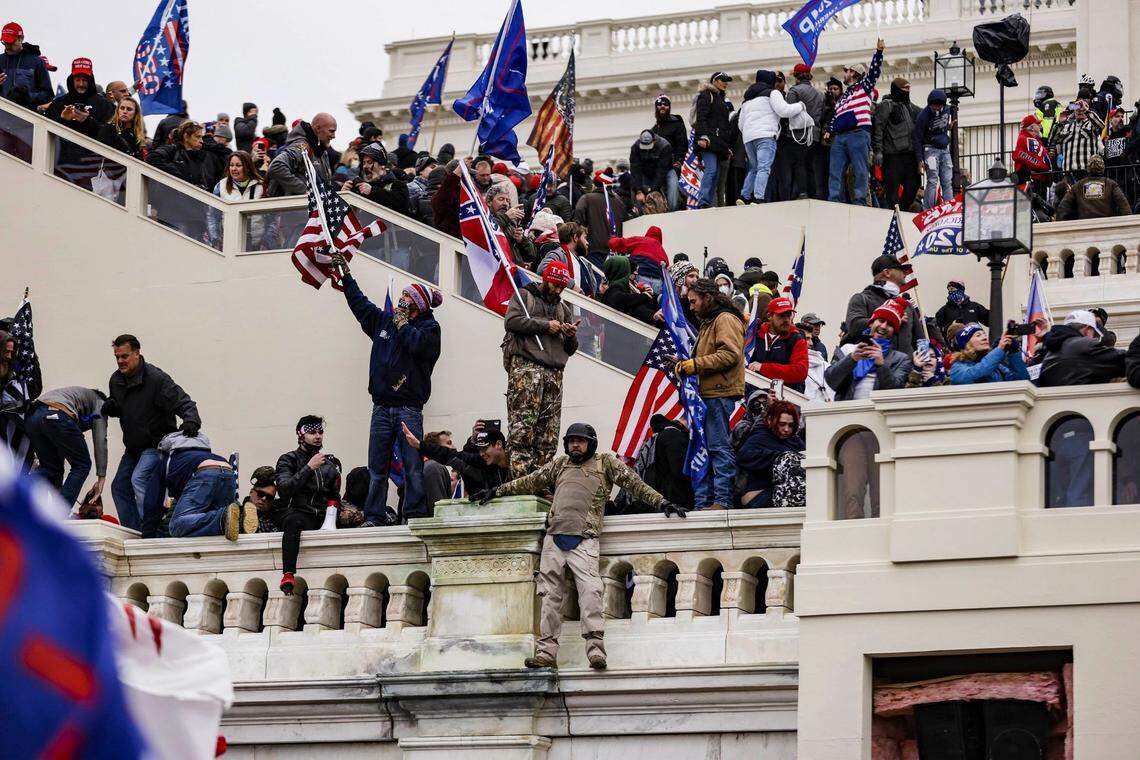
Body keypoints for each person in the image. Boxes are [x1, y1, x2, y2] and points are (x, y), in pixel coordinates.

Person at [472, 423, 687, 669]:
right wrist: (496, 491)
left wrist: (662, 503)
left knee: (591, 595)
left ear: (591, 443)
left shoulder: (605, 463)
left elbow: (635, 484)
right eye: (571, 440)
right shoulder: (560, 464)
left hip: (584, 540)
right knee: (549, 598)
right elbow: (529, 482)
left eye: (580, 440)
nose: (575, 445)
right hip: (554, 539)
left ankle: (596, 652)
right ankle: (546, 654)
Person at [332, 253, 442, 524]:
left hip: (409, 408)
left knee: (413, 466)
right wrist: (346, 276)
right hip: (381, 406)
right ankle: (375, 516)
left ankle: (415, 515)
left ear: (418, 305)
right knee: (377, 468)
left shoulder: (430, 329)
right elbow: (360, 305)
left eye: (407, 298)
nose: (401, 301)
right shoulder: (383, 322)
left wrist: (403, 324)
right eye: (401, 297)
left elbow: (417, 345)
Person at [104, 334, 201, 535]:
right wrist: (113, 407)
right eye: (117, 357)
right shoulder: (116, 380)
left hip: (156, 444)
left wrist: (191, 420)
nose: (120, 361)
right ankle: (134, 532)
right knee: (119, 487)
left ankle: (153, 529)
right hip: (133, 448)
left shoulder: (156, 379)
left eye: (125, 356)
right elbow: (121, 404)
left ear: (137, 353)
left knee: (138, 479)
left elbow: (183, 401)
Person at [502, 261, 579, 478]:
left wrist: (570, 335)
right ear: (545, 279)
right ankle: (520, 478)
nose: (558, 291)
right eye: (555, 285)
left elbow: (571, 349)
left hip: (554, 373)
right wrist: (545, 325)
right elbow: (512, 321)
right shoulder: (525, 297)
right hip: (527, 369)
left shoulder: (564, 309)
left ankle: (540, 480)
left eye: (562, 287)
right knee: (522, 427)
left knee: (548, 434)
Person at [674, 279, 745, 510]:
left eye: (694, 301)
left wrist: (694, 365)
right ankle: (702, 502)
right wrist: (683, 364)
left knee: (717, 447)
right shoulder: (709, 322)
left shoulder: (725, 319)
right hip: (706, 396)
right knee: (701, 450)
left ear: (707, 297)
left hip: (718, 394)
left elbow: (730, 355)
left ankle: (722, 501)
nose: (691, 306)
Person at [276, 416, 343, 594]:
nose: (318, 436)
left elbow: (334, 495)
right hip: (298, 513)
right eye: (312, 432)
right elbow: (284, 489)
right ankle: (288, 574)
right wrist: (308, 468)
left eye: (320, 432)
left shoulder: (329, 466)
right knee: (293, 522)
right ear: (300, 434)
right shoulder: (288, 459)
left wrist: (335, 511)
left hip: (321, 517)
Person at [23, 386, 108, 509]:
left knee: (51, 470)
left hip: (33, 418)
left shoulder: (75, 396)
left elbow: (62, 438)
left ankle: (10, 488)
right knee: (82, 465)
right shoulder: (100, 403)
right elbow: (100, 438)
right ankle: (59, 514)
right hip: (57, 414)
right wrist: (101, 476)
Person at [160, 431, 250, 540]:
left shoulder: (169, 458)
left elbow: (152, 500)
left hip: (206, 472)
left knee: (176, 525)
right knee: (227, 524)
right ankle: (240, 519)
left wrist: (147, 536)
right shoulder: (202, 453)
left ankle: (223, 517)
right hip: (228, 471)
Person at [828, 39, 884, 205]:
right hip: (840, 137)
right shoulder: (844, 96)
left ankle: (860, 201)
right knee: (835, 171)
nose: (844, 74)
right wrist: (830, 129)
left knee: (860, 170)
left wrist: (879, 53)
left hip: (859, 134)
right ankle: (834, 201)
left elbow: (874, 72)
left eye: (846, 71)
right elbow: (837, 113)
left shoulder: (864, 87)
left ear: (853, 73)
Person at [737, 69, 806, 204]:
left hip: (749, 138)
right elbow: (784, 110)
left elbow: (741, 124)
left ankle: (743, 196)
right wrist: (800, 106)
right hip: (766, 135)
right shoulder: (773, 93)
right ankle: (758, 198)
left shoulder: (747, 100)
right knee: (764, 168)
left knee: (754, 168)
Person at [825, 298, 913, 400]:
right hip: (848, 412)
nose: (883, 326)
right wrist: (852, 359)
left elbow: (896, 393)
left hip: (879, 414)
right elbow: (831, 381)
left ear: (894, 331)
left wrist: (881, 366)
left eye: (890, 324)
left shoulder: (901, 359)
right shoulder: (848, 349)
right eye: (881, 321)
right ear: (871, 323)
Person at [407, 421, 509, 497]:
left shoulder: (521, 459)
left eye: (485, 448)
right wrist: (420, 445)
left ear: (498, 445)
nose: (481, 454)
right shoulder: (481, 462)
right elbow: (450, 455)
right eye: (479, 449)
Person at [845, 254, 920, 354]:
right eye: (901, 270)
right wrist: (891, 319)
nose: (905, 273)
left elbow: (919, 341)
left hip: (905, 368)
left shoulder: (907, 306)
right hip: (875, 367)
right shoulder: (862, 299)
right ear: (887, 272)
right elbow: (854, 327)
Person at [737, 400, 805, 509]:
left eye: (791, 425)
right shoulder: (760, 436)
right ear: (770, 420)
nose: (786, 429)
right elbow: (743, 455)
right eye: (782, 424)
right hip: (758, 497)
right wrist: (780, 457)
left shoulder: (795, 440)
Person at [1037, 310, 1126, 387]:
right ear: (1087, 330)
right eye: (1094, 334)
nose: (1094, 338)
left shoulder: (1050, 352)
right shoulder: (1083, 345)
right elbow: (1122, 359)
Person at [873, 77, 921, 210]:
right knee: (892, 189)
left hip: (910, 155)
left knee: (915, 184)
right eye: (905, 88)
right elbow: (878, 128)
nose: (908, 91)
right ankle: (894, 213)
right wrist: (878, 151)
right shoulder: (886, 105)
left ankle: (902, 210)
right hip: (892, 155)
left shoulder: (912, 108)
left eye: (909, 88)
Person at [747, 297, 809, 393]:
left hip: (787, 399)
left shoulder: (797, 339)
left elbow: (800, 372)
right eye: (781, 315)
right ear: (769, 316)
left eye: (788, 315)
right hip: (754, 395)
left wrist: (763, 368)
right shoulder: (755, 335)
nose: (786, 320)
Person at [147, 120, 229, 192]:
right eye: (198, 137)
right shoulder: (173, 150)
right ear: (186, 136)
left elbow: (226, 152)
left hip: (197, 205)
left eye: (202, 137)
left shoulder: (203, 156)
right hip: (173, 203)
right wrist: (178, 177)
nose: (201, 141)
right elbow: (152, 157)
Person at [266, 113, 336, 196]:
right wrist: (306, 190)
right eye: (331, 131)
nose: (334, 136)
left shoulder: (322, 151)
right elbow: (276, 167)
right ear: (317, 128)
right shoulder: (302, 146)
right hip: (295, 206)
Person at [783, 63, 825, 200]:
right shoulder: (820, 94)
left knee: (799, 163)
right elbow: (822, 115)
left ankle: (802, 192)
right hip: (815, 135)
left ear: (796, 76)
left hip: (799, 135)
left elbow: (788, 112)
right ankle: (812, 193)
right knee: (810, 165)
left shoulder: (794, 91)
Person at [44, 58, 113, 140]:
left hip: (94, 151)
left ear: (90, 81)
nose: (81, 84)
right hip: (62, 151)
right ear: (72, 80)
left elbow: (110, 135)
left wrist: (87, 121)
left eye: (84, 80)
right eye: (78, 80)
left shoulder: (104, 104)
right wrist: (63, 119)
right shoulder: (58, 103)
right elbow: (45, 130)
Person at [693, 72, 735, 208]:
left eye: (726, 81)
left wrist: (726, 147)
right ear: (715, 81)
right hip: (707, 141)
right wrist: (702, 136)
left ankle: (708, 202)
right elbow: (701, 118)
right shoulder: (706, 95)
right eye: (723, 80)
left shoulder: (720, 99)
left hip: (718, 143)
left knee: (716, 173)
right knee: (711, 170)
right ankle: (703, 201)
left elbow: (723, 126)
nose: (725, 83)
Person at [948, 323, 1030, 384]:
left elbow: (1023, 381)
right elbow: (975, 374)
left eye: (984, 334)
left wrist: (1013, 353)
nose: (984, 338)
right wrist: (999, 349)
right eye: (978, 335)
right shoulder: (957, 368)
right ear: (966, 344)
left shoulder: (998, 367)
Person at [343, 141, 410, 215]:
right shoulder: (360, 187)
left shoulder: (397, 185)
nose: (365, 166)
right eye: (364, 163)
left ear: (382, 166)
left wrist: (372, 191)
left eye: (369, 162)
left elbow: (400, 203)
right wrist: (346, 193)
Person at [1056, 154, 1131, 220]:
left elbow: (1063, 207)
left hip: (1084, 226)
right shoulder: (1110, 184)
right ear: (1103, 168)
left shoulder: (1078, 185)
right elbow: (1124, 206)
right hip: (1106, 226)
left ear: (1088, 168)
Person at [914, 89, 953, 209]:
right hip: (930, 150)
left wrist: (948, 127)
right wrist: (920, 159)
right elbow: (917, 138)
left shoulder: (948, 110)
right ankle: (928, 209)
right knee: (932, 180)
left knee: (947, 180)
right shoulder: (923, 116)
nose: (937, 108)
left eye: (939, 105)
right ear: (930, 104)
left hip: (944, 149)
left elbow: (942, 125)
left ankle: (949, 207)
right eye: (934, 105)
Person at [537, 222, 599, 296]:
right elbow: (543, 268)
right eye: (585, 238)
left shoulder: (584, 263)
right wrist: (572, 285)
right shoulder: (559, 255)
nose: (587, 242)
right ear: (575, 237)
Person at [0, 21, 53, 109]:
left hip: (27, 117)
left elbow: (48, 95)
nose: (7, 46)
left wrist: (28, 97)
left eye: (11, 42)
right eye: (5, 42)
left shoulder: (37, 62)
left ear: (21, 38)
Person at [574, 180, 625, 268]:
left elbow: (578, 211)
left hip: (594, 247)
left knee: (594, 278)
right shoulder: (620, 203)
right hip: (615, 250)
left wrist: (581, 225)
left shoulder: (587, 198)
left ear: (594, 186)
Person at [1051, 99, 1103, 183]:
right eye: (1077, 108)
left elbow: (1101, 125)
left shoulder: (1091, 124)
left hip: (1087, 170)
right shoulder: (1066, 126)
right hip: (1068, 172)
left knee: (1085, 195)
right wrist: (1060, 123)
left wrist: (1086, 110)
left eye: (1082, 107)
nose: (1079, 110)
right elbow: (1053, 141)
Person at [486, 183, 537, 269]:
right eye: (501, 199)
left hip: (514, 273)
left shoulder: (511, 225)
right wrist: (506, 217)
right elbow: (488, 230)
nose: (505, 204)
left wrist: (522, 240)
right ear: (489, 202)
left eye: (507, 201)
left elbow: (532, 255)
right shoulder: (484, 218)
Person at [650, 94, 687, 209]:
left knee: (673, 190)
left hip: (671, 166)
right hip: (658, 168)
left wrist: (679, 161)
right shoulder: (654, 130)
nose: (662, 106)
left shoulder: (677, 124)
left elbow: (682, 144)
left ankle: (674, 210)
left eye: (665, 104)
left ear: (669, 107)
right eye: (659, 104)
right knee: (659, 193)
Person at [607, 225, 669, 293]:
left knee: (637, 300)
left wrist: (612, 239)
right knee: (651, 302)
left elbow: (619, 243)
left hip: (640, 277)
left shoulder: (640, 240)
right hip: (657, 282)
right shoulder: (662, 251)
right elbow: (666, 267)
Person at [600, 255, 658, 325]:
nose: (634, 274)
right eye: (628, 270)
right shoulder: (615, 288)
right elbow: (623, 300)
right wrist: (643, 296)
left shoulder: (621, 288)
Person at [629, 129, 673, 203]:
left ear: (654, 140)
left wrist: (653, 190)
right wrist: (639, 191)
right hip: (646, 172)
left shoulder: (665, 146)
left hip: (666, 170)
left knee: (673, 189)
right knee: (644, 195)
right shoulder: (635, 147)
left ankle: (673, 207)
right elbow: (635, 170)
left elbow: (661, 171)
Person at [246, 465, 286, 534]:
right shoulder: (237, 513)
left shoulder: (277, 519)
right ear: (251, 492)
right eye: (260, 494)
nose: (264, 499)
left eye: (269, 497)